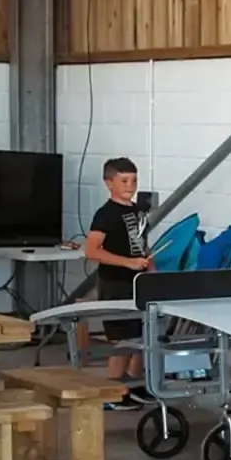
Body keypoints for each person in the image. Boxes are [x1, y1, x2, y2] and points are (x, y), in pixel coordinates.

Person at [85, 157, 154, 409]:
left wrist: (149, 265)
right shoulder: (105, 214)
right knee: (122, 339)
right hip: (115, 283)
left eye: (134, 180)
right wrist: (127, 263)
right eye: (124, 180)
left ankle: (134, 386)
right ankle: (113, 391)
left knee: (141, 336)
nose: (130, 185)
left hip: (139, 282)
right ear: (109, 183)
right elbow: (91, 250)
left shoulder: (138, 212)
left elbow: (141, 245)